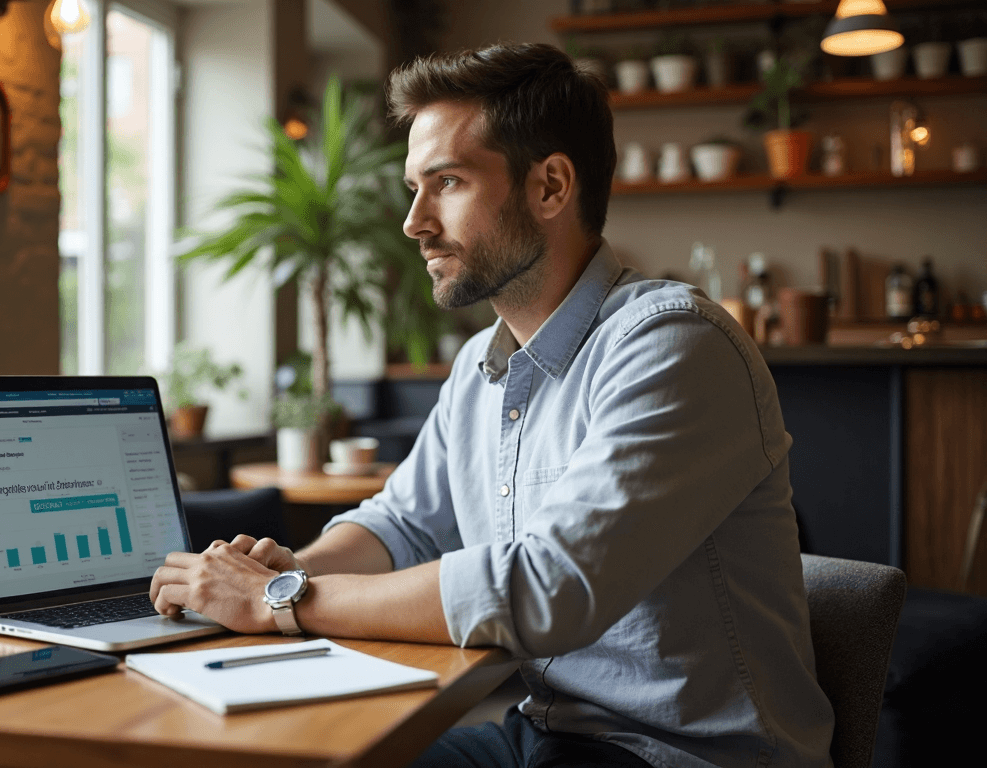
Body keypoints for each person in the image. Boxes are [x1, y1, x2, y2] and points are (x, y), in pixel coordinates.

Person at [150, 43, 835, 768]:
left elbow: (550, 589)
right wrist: (288, 570)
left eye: (446, 182)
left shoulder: (674, 346)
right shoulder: (483, 367)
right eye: (415, 187)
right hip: (545, 733)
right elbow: (403, 525)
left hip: (682, 755)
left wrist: (281, 600)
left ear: (551, 186)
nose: (414, 221)